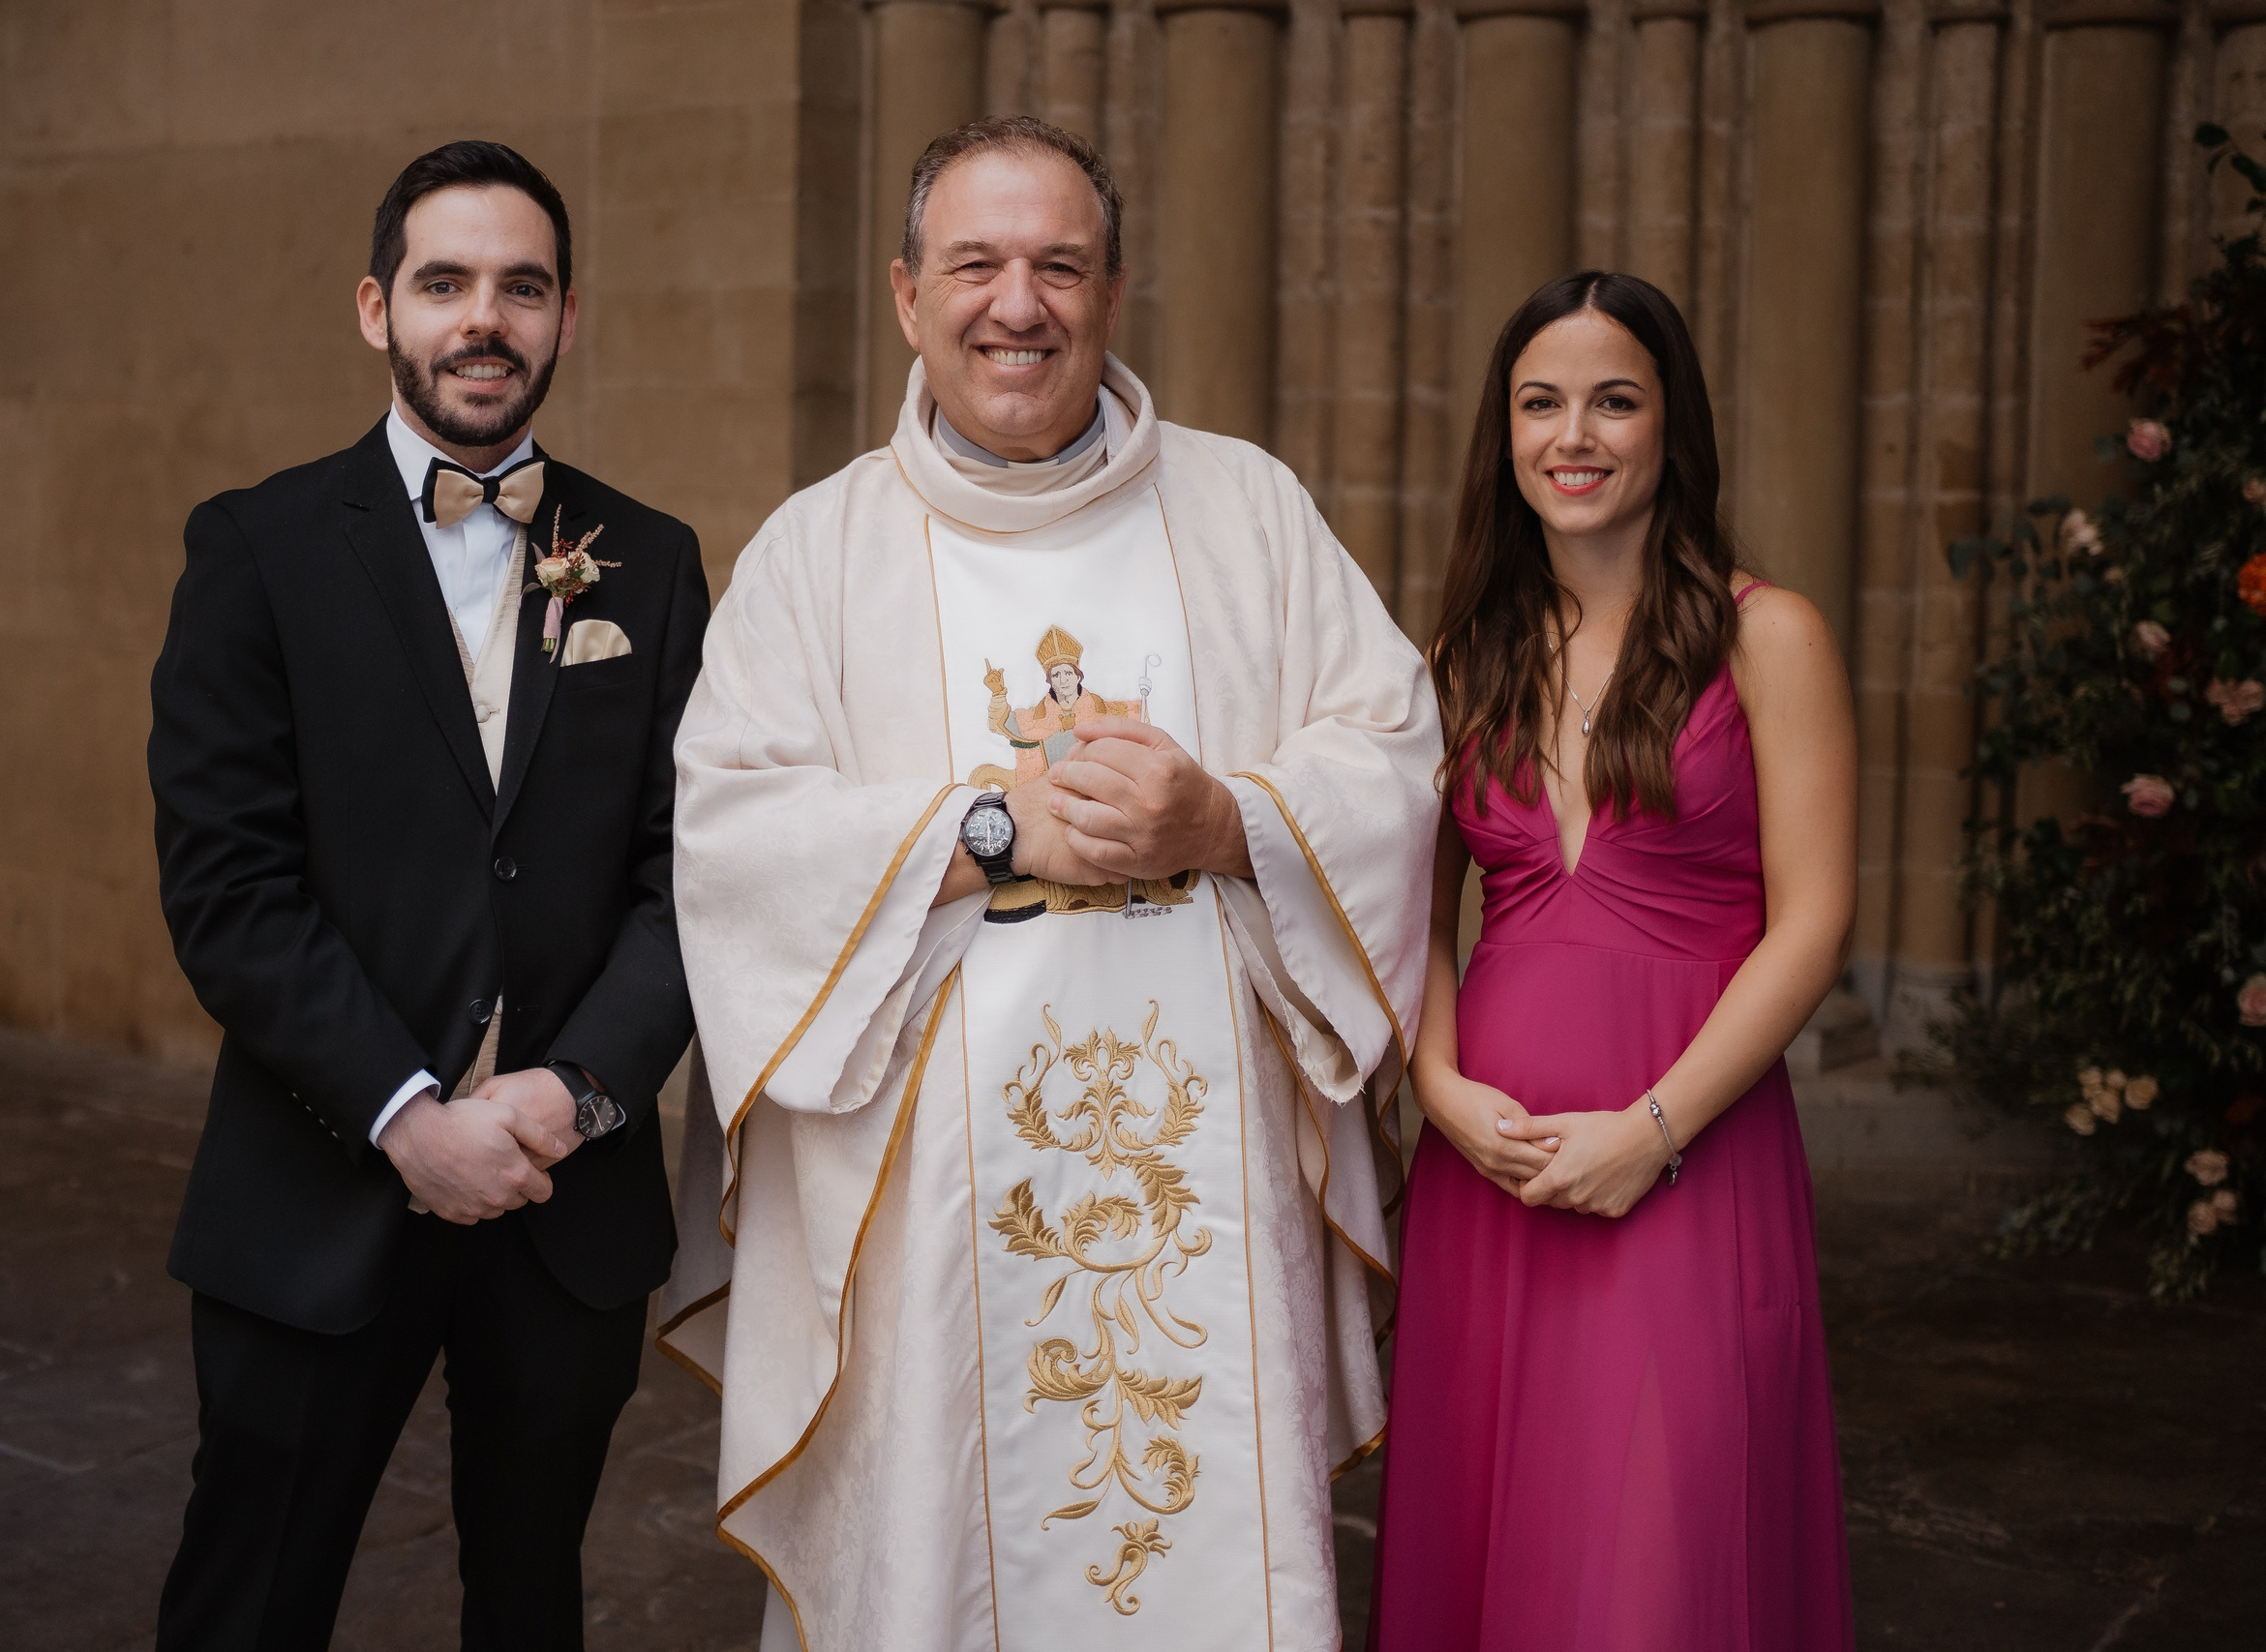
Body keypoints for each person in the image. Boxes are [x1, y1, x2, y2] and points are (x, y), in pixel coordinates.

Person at [662, 116, 1442, 1651]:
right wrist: (992, 831)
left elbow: (1394, 758)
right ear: (906, 295)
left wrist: (1223, 820)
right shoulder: (817, 554)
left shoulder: (1249, 512)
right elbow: (734, 834)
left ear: (1113, 287)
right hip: (928, 1218)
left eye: (1058, 265)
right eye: (976, 264)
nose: (1017, 303)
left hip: (1209, 1200)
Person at [145, 139, 706, 1650]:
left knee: (531, 1603)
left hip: (558, 1195)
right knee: (250, 1598)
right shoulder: (255, 549)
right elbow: (228, 888)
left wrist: (572, 1097)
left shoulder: (648, 566)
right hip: (324, 1175)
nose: (484, 320)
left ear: (567, 317)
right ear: (375, 306)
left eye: (521, 288)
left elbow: (687, 876)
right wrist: (408, 1114)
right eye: (445, 282)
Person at [1372, 271, 1858, 1649]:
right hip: (1493, 1172)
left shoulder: (1771, 636)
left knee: (1667, 1544)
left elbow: (1813, 923)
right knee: (1502, 1545)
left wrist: (1654, 1130)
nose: (1572, 434)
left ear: (1670, 427)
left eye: (1612, 400)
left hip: (1690, 1162)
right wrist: (1440, 1087)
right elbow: (1409, 917)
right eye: (1540, 403)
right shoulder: (1459, 662)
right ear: (1505, 434)